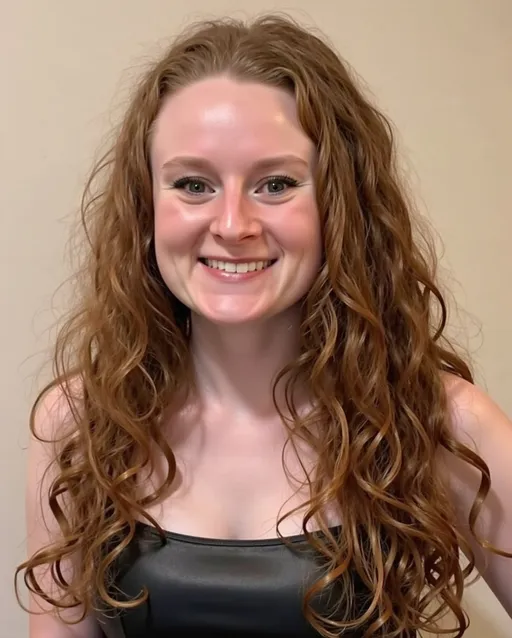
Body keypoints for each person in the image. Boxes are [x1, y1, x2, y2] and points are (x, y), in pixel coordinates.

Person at [16, 13, 512, 638]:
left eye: (276, 183)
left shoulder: (437, 420)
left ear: (338, 202)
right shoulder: (78, 424)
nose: (232, 223)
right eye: (193, 184)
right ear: (147, 205)